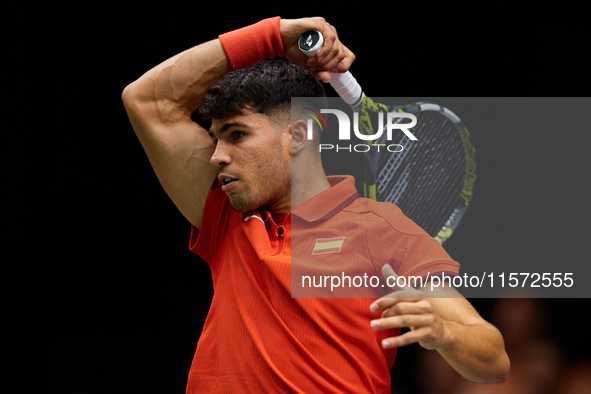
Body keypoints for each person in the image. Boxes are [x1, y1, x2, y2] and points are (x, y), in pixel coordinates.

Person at [122, 16, 510, 393]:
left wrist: (443, 333)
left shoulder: (381, 230)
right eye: (216, 138)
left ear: (300, 135)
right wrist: (274, 36)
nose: (216, 156)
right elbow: (147, 99)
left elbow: (493, 361)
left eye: (237, 135)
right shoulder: (227, 216)